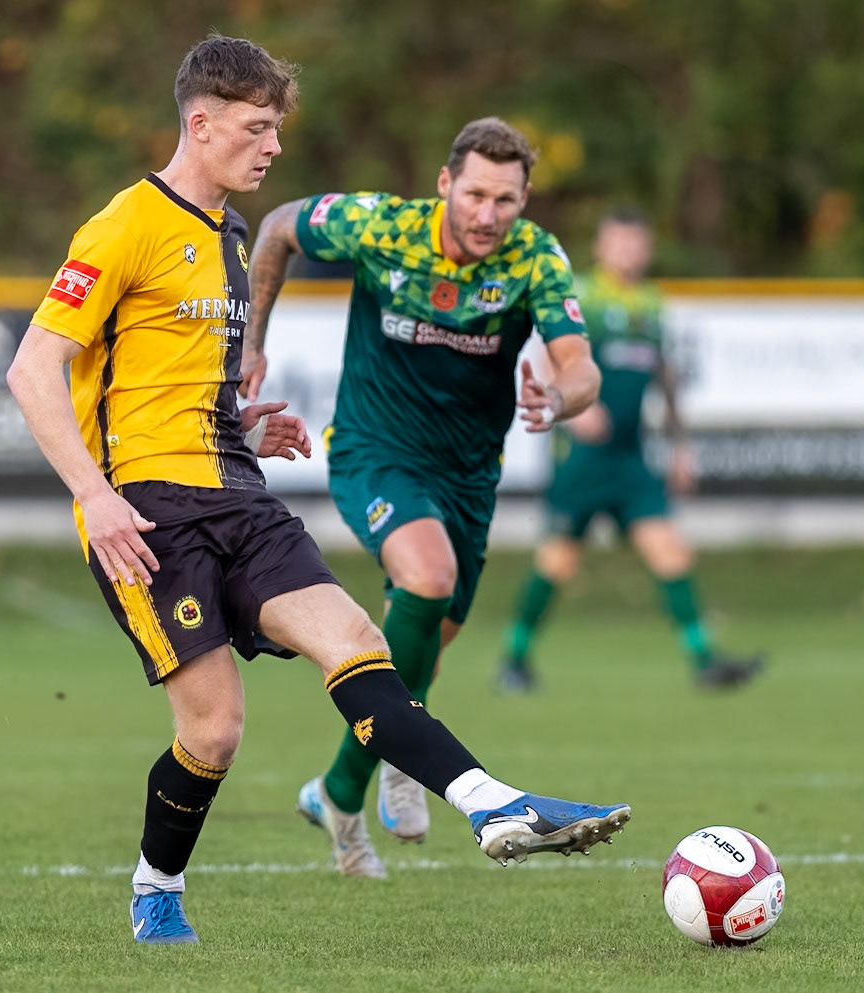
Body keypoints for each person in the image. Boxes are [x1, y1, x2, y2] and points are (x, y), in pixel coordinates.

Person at [5, 37, 630, 944]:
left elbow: (168, 385)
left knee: (360, 641)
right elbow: (33, 369)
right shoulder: (124, 224)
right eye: (256, 128)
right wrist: (95, 496)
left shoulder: (227, 235)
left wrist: (241, 427)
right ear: (200, 123)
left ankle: (492, 803)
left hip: (239, 492)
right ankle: (157, 885)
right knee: (215, 731)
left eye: (276, 129)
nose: (273, 147)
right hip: (148, 511)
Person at [242, 117, 605, 876]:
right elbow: (276, 228)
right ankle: (413, 760)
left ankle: (340, 791)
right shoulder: (382, 226)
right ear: (445, 185)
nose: (487, 214)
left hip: (468, 476)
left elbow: (580, 366)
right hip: (374, 451)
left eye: (505, 200)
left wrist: (559, 397)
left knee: (429, 636)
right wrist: (251, 338)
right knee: (429, 578)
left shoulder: (535, 257)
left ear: (524, 201)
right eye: (474, 194)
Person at [499, 209, 764, 692]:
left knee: (670, 551)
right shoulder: (583, 295)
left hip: (630, 457)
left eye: (637, 243)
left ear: (648, 249)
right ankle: (513, 659)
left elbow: (666, 380)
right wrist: (572, 410)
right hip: (581, 461)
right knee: (558, 562)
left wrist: (681, 447)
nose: (629, 251)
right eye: (619, 242)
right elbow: (543, 356)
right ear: (600, 247)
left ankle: (704, 660)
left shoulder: (651, 304)